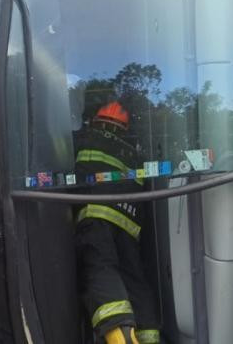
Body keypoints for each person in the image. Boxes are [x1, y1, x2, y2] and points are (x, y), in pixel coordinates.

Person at [74, 101, 160, 344]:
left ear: (96, 122)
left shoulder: (87, 139)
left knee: (100, 268)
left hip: (97, 217)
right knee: (134, 279)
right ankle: (149, 336)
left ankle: (120, 337)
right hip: (129, 224)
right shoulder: (133, 151)